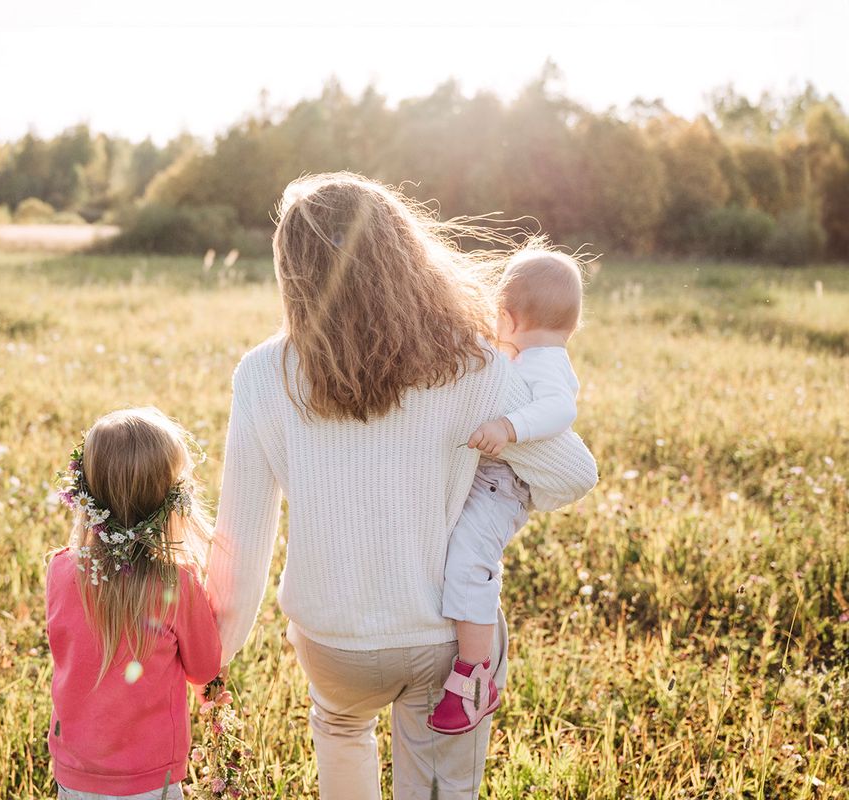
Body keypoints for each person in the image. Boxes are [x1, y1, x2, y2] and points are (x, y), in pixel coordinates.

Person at [206, 173, 599, 799]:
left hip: (332, 642)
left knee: (339, 726)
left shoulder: (261, 374)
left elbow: (241, 541)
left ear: (293, 275)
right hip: (444, 636)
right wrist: (488, 505)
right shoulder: (472, 360)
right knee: (442, 788)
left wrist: (214, 657)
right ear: (405, 256)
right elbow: (573, 474)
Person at [429, 250, 585, 736]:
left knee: (469, 561)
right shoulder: (526, 356)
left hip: (504, 486)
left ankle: (475, 677)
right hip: (491, 477)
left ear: (509, 318)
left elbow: (560, 410)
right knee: (455, 553)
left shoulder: (548, 364)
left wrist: (509, 426)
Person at [46, 407, 221, 800]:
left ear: (87, 493)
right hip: (151, 776)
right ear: (172, 500)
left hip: (75, 770)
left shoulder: (61, 571)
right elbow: (205, 667)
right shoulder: (177, 585)